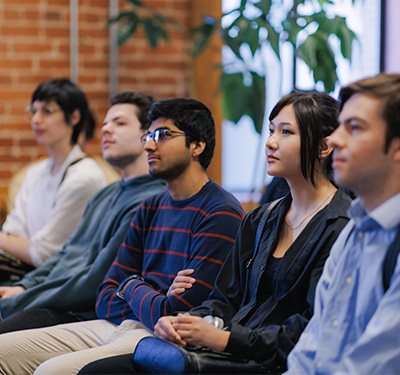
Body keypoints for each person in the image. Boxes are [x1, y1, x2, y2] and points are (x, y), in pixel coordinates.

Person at [78, 90, 353, 375]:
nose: (270, 143)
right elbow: (224, 299)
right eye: (271, 131)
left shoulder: (341, 226)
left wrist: (225, 339)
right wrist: (185, 321)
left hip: (273, 362)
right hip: (230, 352)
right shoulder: (262, 218)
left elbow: (314, 330)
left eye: (286, 132)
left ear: (324, 147)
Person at [0, 97, 245, 375]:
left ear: (197, 146)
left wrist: (130, 286)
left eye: (163, 135)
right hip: (118, 322)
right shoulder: (151, 206)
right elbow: (105, 297)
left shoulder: (220, 212)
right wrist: (146, 292)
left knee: (50, 371)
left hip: (157, 338)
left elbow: (180, 314)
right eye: (149, 136)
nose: (150, 145)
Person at [0, 90, 166, 332]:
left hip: (81, 312)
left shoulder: (149, 200)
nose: (106, 130)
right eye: (106, 123)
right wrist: (24, 286)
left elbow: (95, 279)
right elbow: (66, 255)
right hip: (54, 301)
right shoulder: (105, 194)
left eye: (120, 123)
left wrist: (20, 300)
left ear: (148, 135)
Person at [283, 74, 400, 374]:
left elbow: (376, 365)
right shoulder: (354, 229)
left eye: (355, 128)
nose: (334, 140)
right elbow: (314, 342)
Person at [0, 78, 107, 268]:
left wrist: (22, 244)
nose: (36, 120)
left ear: (74, 117)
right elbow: (13, 231)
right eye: (33, 111)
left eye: (47, 111)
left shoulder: (84, 176)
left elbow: (44, 254)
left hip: (60, 285)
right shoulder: (34, 173)